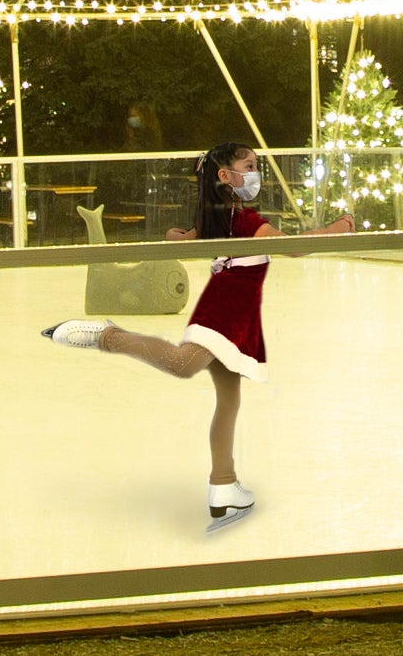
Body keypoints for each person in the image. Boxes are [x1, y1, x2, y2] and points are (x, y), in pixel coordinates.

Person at [41, 137, 302, 523]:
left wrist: (178, 238)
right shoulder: (242, 219)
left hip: (241, 313)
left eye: (256, 166)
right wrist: (340, 227)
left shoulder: (222, 217)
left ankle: (224, 484)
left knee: (229, 400)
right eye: (248, 167)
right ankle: (106, 336)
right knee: (184, 363)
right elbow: (294, 248)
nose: (256, 174)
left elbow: (181, 239)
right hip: (228, 307)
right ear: (224, 175)